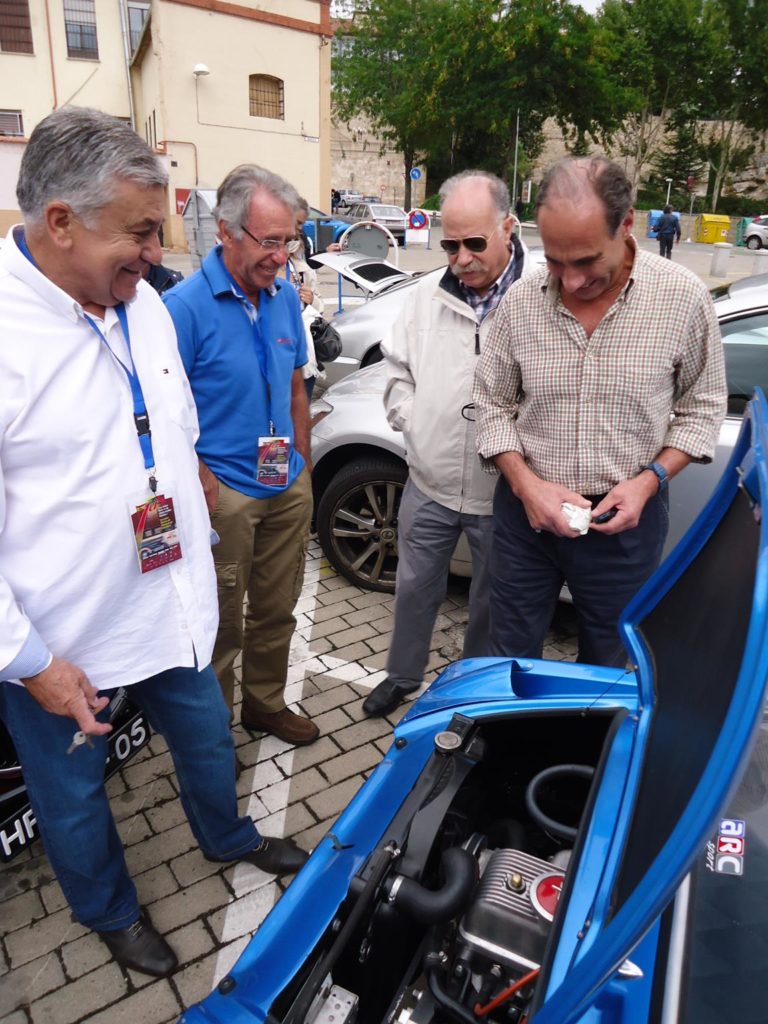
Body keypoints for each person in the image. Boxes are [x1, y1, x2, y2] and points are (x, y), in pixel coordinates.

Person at [0, 108, 307, 980]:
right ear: (60, 221)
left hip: (169, 597)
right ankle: (111, 914)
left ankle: (228, 837)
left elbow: (165, 422)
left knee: (209, 739)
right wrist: (29, 658)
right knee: (72, 796)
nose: (154, 251)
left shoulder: (138, 303)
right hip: (60, 644)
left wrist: (196, 491)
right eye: (139, 231)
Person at [473, 156, 727, 668]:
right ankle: (513, 746)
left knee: (609, 665)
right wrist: (526, 487)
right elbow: (490, 405)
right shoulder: (519, 302)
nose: (568, 281)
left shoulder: (683, 299)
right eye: (555, 261)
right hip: (526, 521)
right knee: (508, 657)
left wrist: (650, 479)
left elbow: (702, 409)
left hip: (625, 527)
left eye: (586, 261)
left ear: (627, 223)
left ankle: (590, 750)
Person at [362, 170, 535, 718]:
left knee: (490, 604)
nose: (460, 258)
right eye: (450, 244)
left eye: (475, 243)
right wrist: (412, 420)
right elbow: (395, 370)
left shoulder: (541, 297)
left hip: (503, 493)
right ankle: (401, 676)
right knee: (413, 591)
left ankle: (469, 695)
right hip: (429, 482)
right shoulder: (423, 297)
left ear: (508, 228)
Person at [164, 165, 318, 746]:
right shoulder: (182, 308)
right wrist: (202, 477)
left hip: (285, 483)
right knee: (221, 626)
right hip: (223, 495)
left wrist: (301, 463)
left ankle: (265, 706)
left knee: (278, 610)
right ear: (226, 232)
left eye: (289, 240)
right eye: (270, 241)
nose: (282, 256)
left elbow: (297, 383)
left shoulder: (280, 298)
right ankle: (214, 739)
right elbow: (160, 411)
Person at [288, 197, 325, 401]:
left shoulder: (301, 268)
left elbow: (320, 306)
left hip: (305, 357)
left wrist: (312, 300)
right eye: (298, 223)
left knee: (301, 413)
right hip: (279, 361)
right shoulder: (261, 270)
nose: (297, 231)